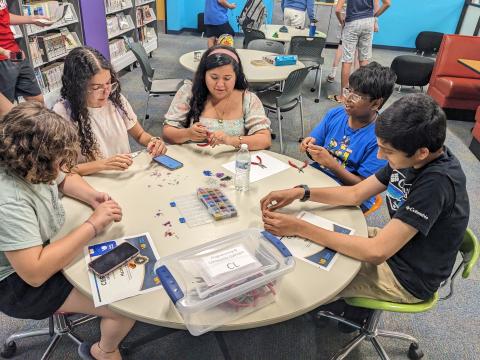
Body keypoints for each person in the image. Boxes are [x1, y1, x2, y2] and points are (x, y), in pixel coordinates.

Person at [261, 93, 469, 308]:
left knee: (307, 281)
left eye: (387, 151)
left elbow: (376, 252)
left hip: (407, 275)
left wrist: (299, 228)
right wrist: (300, 192)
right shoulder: (409, 154)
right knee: (311, 234)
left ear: (421, 153)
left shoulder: (437, 183)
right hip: (397, 245)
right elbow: (355, 194)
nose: (380, 156)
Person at [0, 102, 135, 360]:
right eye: (59, 160)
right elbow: (35, 273)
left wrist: (93, 196)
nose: (63, 167)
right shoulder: (9, 201)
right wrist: (92, 225)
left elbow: (64, 177)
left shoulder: (27, 160)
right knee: (125, 305)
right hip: (18, 285)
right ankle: (103, 352)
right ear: (37, 161)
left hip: (43, 244)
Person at [53, 46, 167, 176]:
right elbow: (63, 169)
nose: (106, 92)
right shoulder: (62, 113)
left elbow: (140, 135)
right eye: (97, 87)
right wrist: (103, 165)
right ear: (78, 87)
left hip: (122, 176)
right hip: (91, 184)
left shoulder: (116, 100)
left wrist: (153, 141)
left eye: (109, 83)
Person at [301, 62, 395, 211]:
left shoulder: (381, 138)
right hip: (320, 177)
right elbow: (315, 149)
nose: (348, 98)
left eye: (356, 96)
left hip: (351, 195)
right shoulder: (335, 114)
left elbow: (363, 187)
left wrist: (332, 164)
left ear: (376, 103)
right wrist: (309, 147)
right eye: (348, 90)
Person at [163, 46, 272, 150]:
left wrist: (230, 140)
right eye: (214, 77)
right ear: (204, 75)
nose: (220, 85)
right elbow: (167, 133)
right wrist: (188, 134)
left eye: (227, 78)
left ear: (236, 76)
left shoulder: (248, 99)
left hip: (232, 164)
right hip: (193, 162)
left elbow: (264, 139)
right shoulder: (189, 92)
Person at [331, 0, 390, 102]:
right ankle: (360, 96)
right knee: (364, 60)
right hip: (368, 22)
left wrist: (342, 22)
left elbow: (337, 10)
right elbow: (387, 3)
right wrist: (374, 16)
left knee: (347, 60)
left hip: (352, 23)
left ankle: (343, 97)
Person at [0, 0, 50, 103]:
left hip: (15, 53)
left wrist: (33, 19)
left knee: (37, 100)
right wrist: (4, 52)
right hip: (2, 58)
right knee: (6, 108)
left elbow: (4, 17)